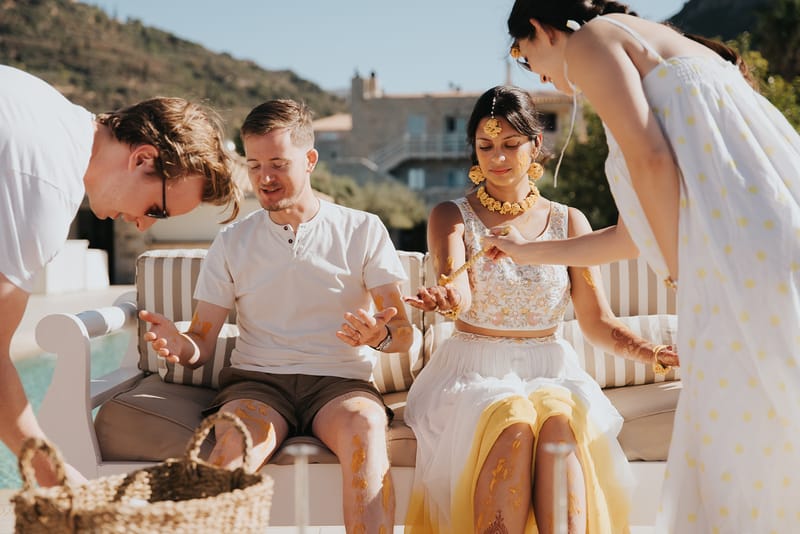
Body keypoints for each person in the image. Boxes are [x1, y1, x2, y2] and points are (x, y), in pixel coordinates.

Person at [484, 2, 800, 532]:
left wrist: (680, 272)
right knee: (769, 425)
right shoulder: (666, 49)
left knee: (742, 441)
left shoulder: (590, 43)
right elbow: (632, 236)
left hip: (736, 263)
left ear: (541, 28)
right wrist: (530, 251)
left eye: (522, 53)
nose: (533, 72)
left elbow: (650, 160)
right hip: (767, 246)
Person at [403, 85, 679, 534]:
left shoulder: (569, 223)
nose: (497, 157)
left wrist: (652, 353)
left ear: (536, 145)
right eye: (485, 146)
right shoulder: (450, 216)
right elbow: (458, 286)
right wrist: (448, 298)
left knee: (558, 418)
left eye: (511, 145)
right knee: (513, 417)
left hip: (551, 369)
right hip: (474, 372)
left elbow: (597, 321)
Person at [139, 98, 414, 533]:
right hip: (259, 384)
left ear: (309, 161)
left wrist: (377, 337)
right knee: (234, 446)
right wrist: (180, 345)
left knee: (366, 426)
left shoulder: (362, 229)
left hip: (341, 386)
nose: (264, 178)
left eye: (278, 164)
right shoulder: (232, 242)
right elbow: (201, 344)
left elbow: (401, 334)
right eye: (254, 165)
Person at [0, 65, 239, 487]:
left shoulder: (43, 105)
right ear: (143, 157)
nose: (144, 226)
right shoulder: (48, 187)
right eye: (157, 210)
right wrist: (51, 472)